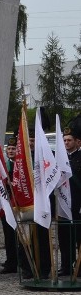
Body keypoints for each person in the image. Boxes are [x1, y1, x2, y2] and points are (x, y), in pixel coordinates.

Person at [58, 117, 81, 275]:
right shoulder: (60, 158)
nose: (66, 143)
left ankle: (79, 267)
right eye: (64, 140)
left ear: (78, 142)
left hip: (78, 203)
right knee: (64, 237)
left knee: (79, 236)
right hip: (63, 203)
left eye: (69, 140)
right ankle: (66, 266)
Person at [0, 136, 18, 274]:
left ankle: (24, 263)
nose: (11, 151)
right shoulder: (4, 166)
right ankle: (11, 262)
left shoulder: (22, 165)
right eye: (9, 149)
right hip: (8, 205)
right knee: (9, 235)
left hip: (21, 205)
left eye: (13, 148)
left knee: (23, 237)